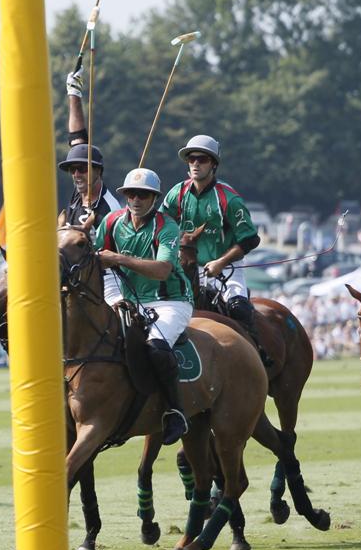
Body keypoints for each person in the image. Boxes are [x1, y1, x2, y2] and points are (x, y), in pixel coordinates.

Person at [97, 168, 193, 445]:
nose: (136, 199)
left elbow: (163, 270)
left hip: (170, 300)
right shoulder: (111, 222)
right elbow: (96, 258)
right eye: (131, 194)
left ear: (154, 198)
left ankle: (175, 412)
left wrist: (119, 258)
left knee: (156, 348)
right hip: (129, 299)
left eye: (143, 195)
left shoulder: (167, 226)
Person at [159, 135, 271, 365]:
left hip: (225, 267)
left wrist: (221, 262)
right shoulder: (177, 193)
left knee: (238, 307)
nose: (195, 163)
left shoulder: (228, 198)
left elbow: (250, 239)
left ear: (213, 165)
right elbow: (159, 226)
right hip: (186, 267)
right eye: (191, 159)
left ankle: (257, 353)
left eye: (201, 159)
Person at [57, 66, 123, 305]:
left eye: (82, 169)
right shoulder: (79, 192)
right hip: (74, 275)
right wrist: (73, 94)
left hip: (107, 280)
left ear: (98, 171)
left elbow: (116, 256)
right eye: (72, 169)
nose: (76, 174)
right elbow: (76, 138)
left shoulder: (110, 209)